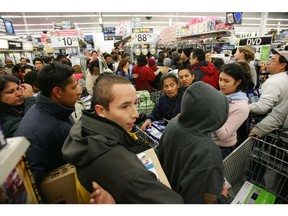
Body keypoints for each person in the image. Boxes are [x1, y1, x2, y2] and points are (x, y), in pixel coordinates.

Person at [62, 73, 184, 204]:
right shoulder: (126, 171)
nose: (136, 114)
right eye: (124, 106)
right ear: (101, 111)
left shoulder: (85, 129)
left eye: (135, 103)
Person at [158, 81, 229, 203]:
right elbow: (204, 201)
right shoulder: (209, 152)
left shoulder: (174, 123)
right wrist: (222, 197)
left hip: (168, 194)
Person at [14, 62, 78, 187]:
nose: (78, 91)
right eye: (74, 87)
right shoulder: (33, 133)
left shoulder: (60, 109)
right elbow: (32, 187)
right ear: (58, 92)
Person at [214, 63, 250, 159]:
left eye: (226, 81)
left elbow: (223, 135)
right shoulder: (220, 95)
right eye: (220, 79)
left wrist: (213, 110)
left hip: (221, 149)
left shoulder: (241, 107)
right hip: (208, 143)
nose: (221, 84)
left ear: (238, 82)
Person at [249, 49, 288, 115]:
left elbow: (262, 107)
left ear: (282, 65)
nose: (268, 62)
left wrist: (241, 107)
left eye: (273, 60)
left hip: (269, 118)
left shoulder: (275, 81)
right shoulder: (284, 77)